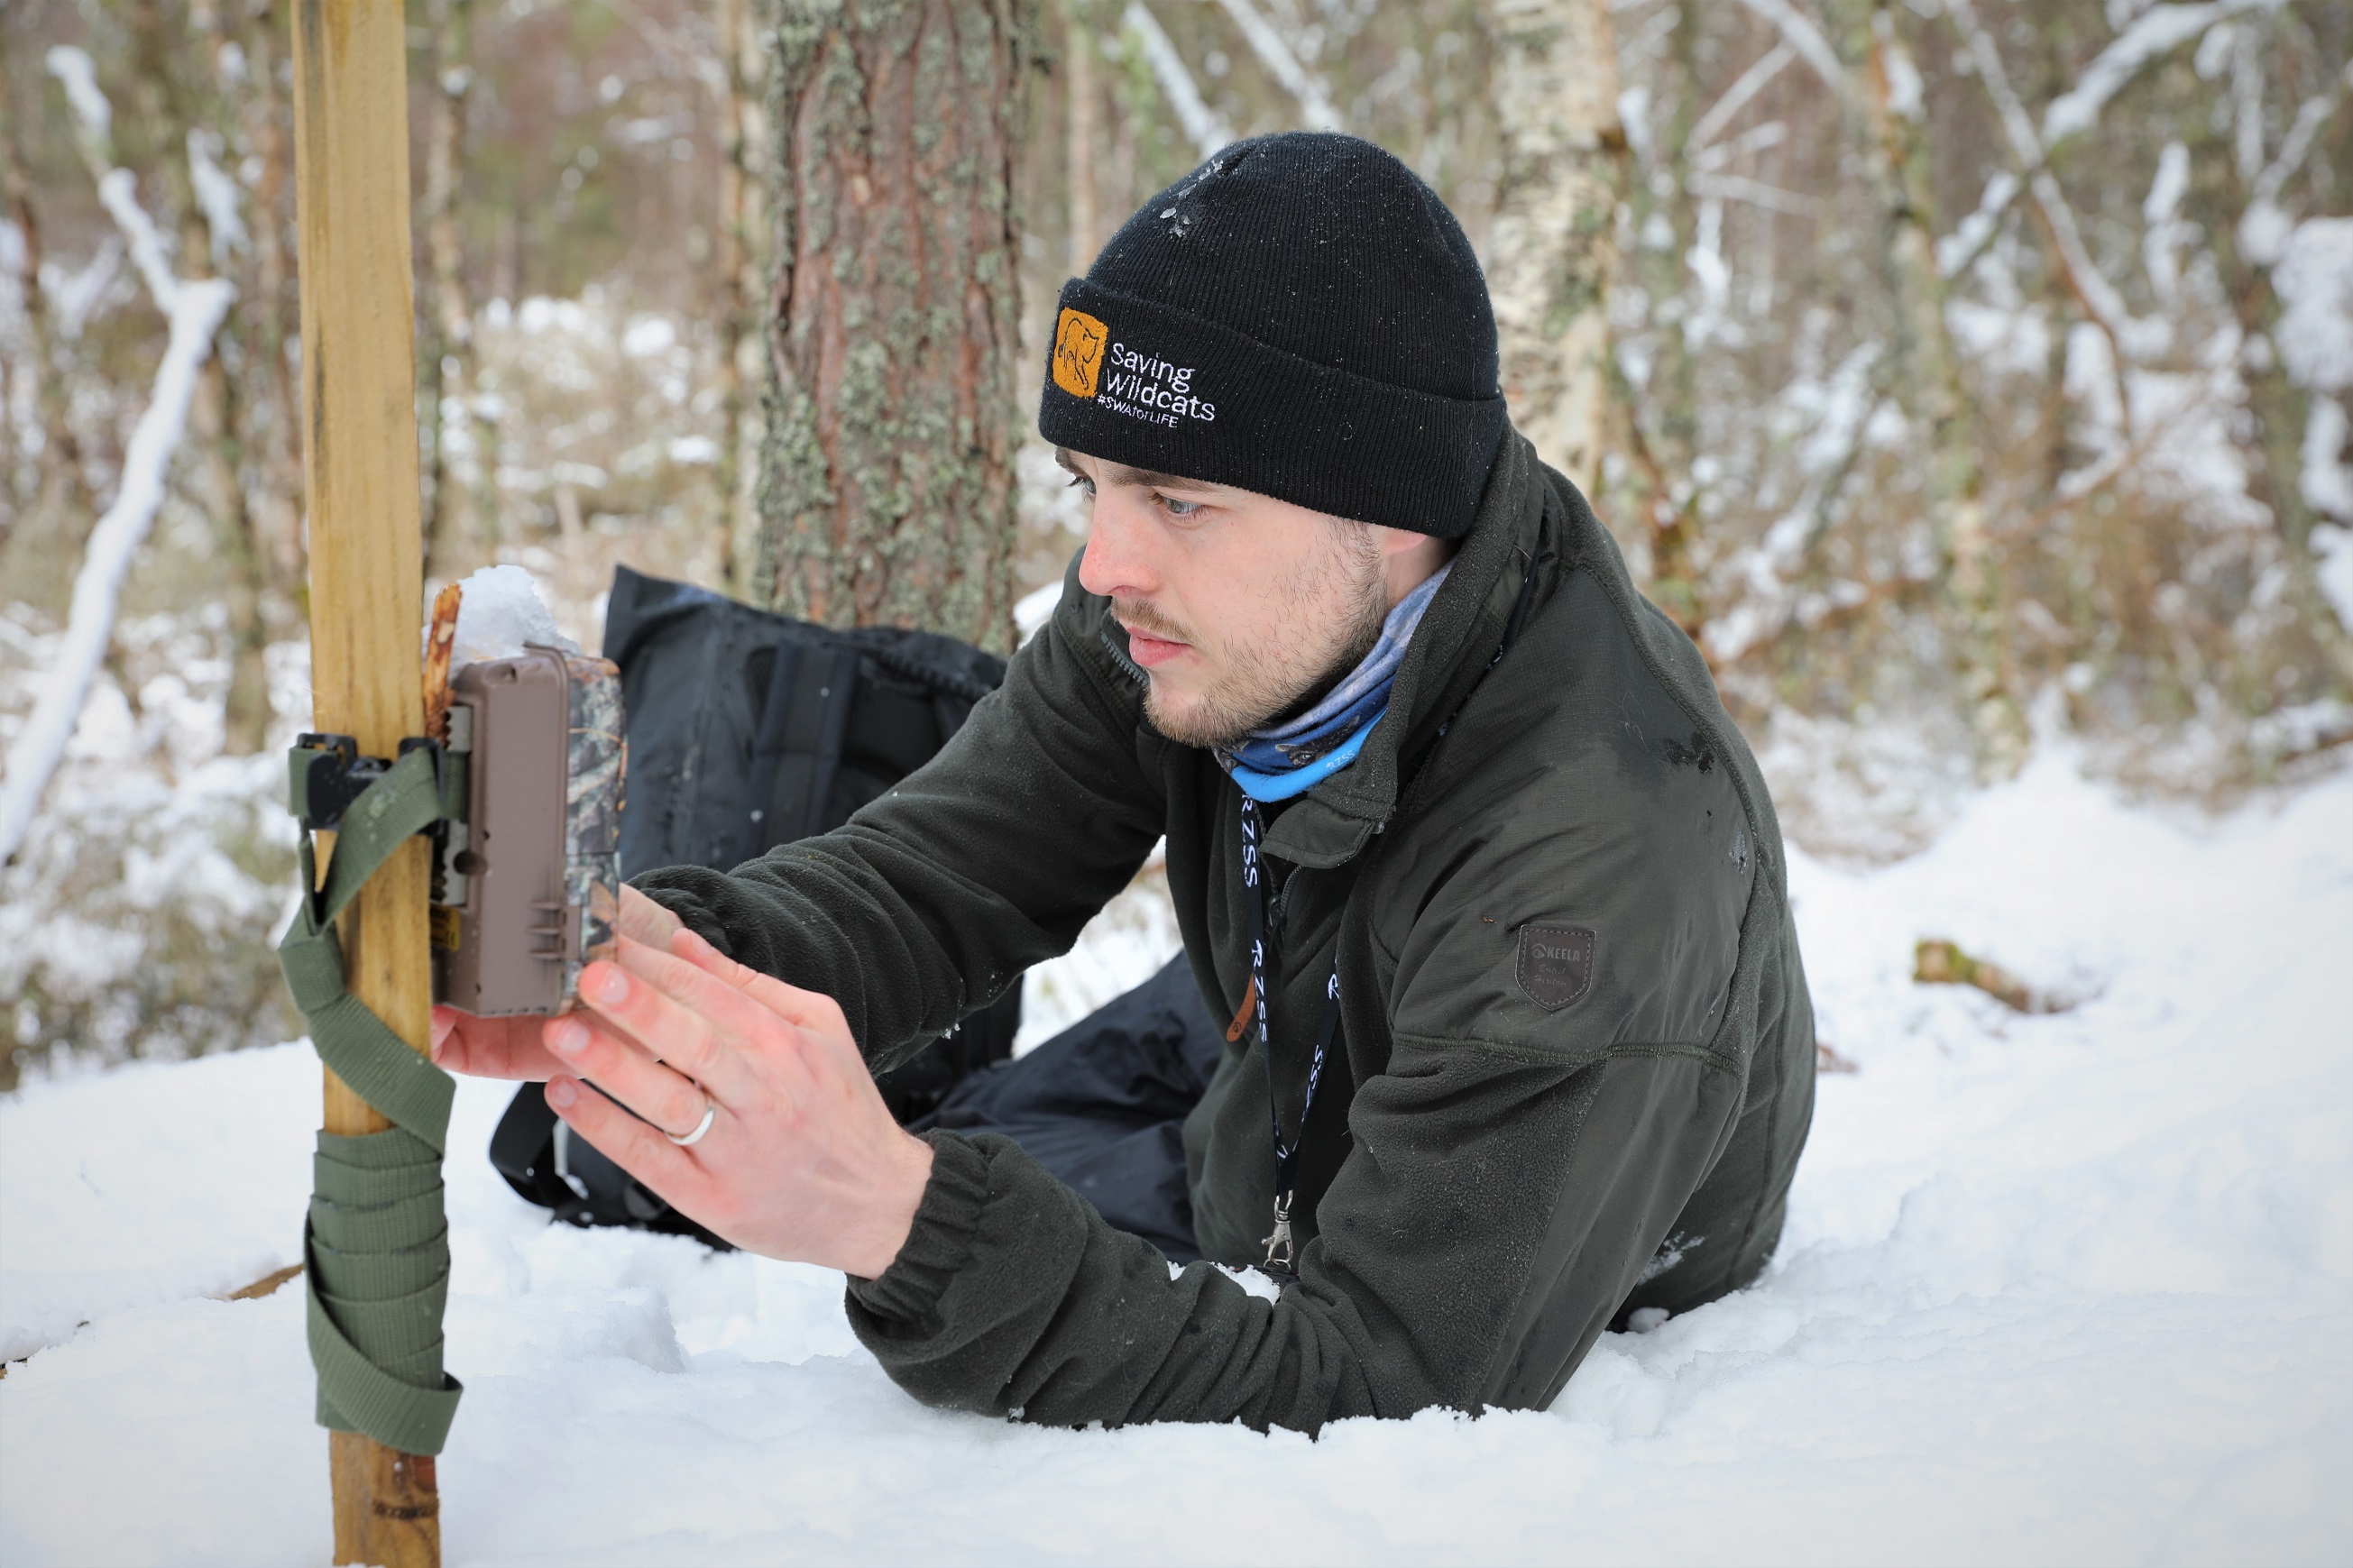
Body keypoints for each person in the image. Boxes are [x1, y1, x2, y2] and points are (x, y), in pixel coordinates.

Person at [434, 133, 1815, 1433]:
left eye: (1178, 500)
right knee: (862, 1144)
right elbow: (944, 875)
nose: (1103, 567)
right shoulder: (1221, 617)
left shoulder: (1583, 881)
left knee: (923, 1189)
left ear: (1388, 507)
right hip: (1278, 1052)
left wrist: (892, 1220)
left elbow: (1386, 1383)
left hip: (1518, 1193)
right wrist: (649, 967)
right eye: (1091, 487)